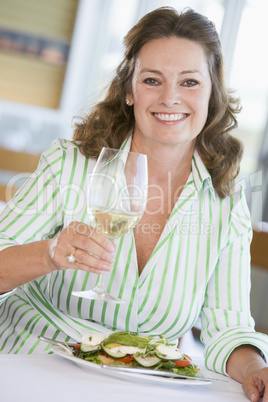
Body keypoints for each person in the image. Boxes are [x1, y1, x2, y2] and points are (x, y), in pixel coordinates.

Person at [0, 7, 267, 401]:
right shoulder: (68, 165)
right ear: (130, 90)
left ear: (212, 96)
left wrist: (256, 369)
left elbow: (227, 327)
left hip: (136, 388)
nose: (170, 97)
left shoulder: (225, 202)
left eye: (190, 82)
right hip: (29, 363)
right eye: (152, 80)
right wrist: (50, 253)